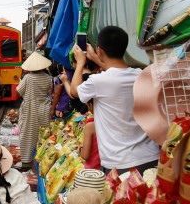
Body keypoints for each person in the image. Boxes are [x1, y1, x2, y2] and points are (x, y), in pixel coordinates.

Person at [60, 26, 159, 175]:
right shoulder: (141, 75)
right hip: (150, 157)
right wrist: (95, 58)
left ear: (100, 50)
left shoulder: (98, 81)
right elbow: (118, 72)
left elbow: (74, 91)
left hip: (119, 163)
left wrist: (80, 62)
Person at [17, 51, 53, 167]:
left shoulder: (28, 78)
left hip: (30, 109)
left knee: (27, 135)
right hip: (44, 109)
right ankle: (41, 162)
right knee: (42, 135)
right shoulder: (48, 78)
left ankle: (27, 162)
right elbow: (50, 93)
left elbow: (18, 92)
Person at [79, 99, 101, 170]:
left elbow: (85, 155)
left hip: (92, 171)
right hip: (105, 168)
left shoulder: (90, 126)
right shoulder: (111, 124)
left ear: (91, 106)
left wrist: (81, 150)